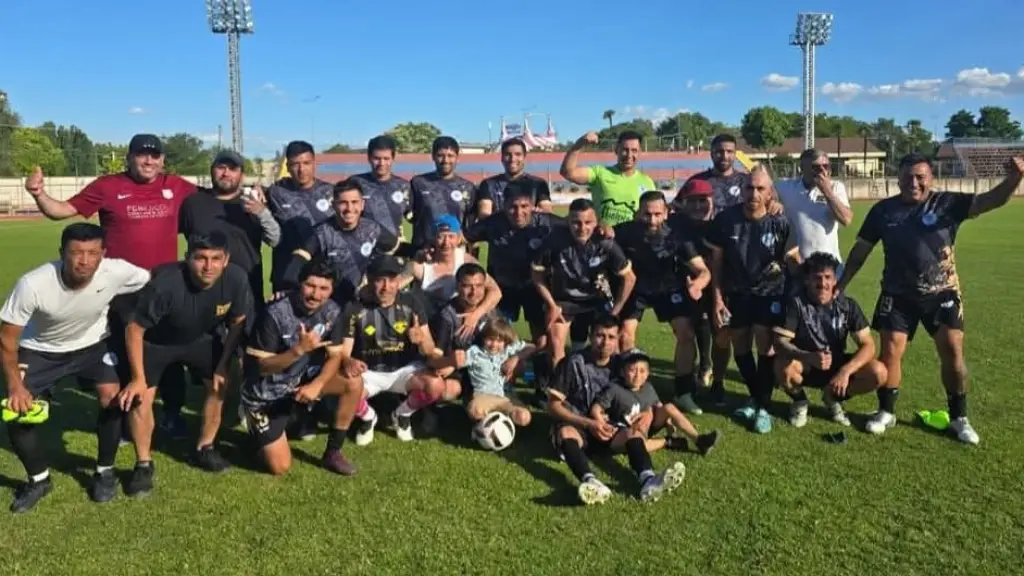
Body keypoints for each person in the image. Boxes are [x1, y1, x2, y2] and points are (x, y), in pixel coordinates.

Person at [838, 154, 1024, 444]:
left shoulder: (948, 203)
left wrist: (1014, 179)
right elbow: (861, 251)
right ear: (897, 179)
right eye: (907, 177)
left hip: (942, 293)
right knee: (890, 354)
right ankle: (886, 412)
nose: (913, 183)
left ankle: (959, 418)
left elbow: (990, 201)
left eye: (920, 177)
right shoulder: (883, 211)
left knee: (952, 353)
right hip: (897, 295)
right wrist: (841, 284)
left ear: (931, 178)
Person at [23, 134, 198, 442]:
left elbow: (211, 201)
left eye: (155, 156)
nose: (149, 161)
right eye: (142, 155)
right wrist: (39, 194)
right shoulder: (107, 186)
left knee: (169, 354)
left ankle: (172, 415)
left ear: (162, 160)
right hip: (121, 291)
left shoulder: (177, 185)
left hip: (164, 287)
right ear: (129, 157)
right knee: (121, 354)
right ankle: (126, 415)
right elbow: (62, 210)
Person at [0, 223, 150, 513]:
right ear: (62, 253)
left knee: (113, 397)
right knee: (17, 412)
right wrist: (15, 385)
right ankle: (38, 479)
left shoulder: (116, 271)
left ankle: (104, 472)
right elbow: (6, 340)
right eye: (76, 253)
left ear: (103, 254)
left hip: (93, 346)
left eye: (93, 253)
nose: (84, 261)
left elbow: (151, 281)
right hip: (40, 349)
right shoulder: (33, 284)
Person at [117, 232, 253, 496]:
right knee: (140, 397)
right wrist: (137, 377)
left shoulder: (236, 278)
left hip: (200, 339)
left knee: (221, 384)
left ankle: (205, 447)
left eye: (216, 258)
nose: (208, 265)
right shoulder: (166, 284)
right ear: (187, 258)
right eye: (200, 258)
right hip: (155, 343)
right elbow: (134, 329)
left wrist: (223, 363)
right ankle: (143, 464)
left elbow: (238, 320)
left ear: (226, 260)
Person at [177, 150, 281, 436]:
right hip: (202, 290)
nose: (226, 174)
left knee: (247, 352)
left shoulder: (252, 203)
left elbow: (276, 239)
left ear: (241, 174)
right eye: (220, 168)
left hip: (246, 289)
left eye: (232, 169)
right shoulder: (194, 204)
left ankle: (246, 405)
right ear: (212, 171)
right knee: (206, 349)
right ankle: (206, 401)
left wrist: (262, 214)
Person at [241, 259, 363, 476]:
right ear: (299, 284)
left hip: (300, 383)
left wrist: (317, 385)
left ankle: (333, 452)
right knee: (280, 467)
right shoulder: (274, 313)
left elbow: (335, 356)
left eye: (324, 288)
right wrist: (298, 350)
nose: (316, 295)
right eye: (310, 286)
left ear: (332, 289)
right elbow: (262, 368)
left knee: (353, 382)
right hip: (266, 395)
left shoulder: (333, 311)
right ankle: (254, 426)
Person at [546, 316, 683, 504]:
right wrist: (588, 422)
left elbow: (644, 389)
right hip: (580, 426)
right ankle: (591, 482)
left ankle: (648, 480)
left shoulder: (622, 364)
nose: (605, 342)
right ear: (590, 336)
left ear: (618, 338)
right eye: (600, 336)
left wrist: (649, 412)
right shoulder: (573, 363)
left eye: (611, 337)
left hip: (610, 430)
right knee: (565, 431)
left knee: (631, 433)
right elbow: (553, 406)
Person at [706, 165, 800, 434]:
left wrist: (805, 287)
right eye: (749, 187)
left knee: (766, 347)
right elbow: (717, 263)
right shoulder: (726, 220)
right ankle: (756, 398)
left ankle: (763, 407)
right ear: (742, 190)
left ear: (770, 193)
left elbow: (793, 260)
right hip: (737, 294)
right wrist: (717, 299)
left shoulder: (780, 222)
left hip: (770, 294)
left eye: (760, 188)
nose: (754, 193)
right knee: (741, 347)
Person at [338, 255, 456, 445]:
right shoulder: (354, 308)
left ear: (399, 280)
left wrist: (420, 341)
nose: (386, 287)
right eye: (380, 280)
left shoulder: (411, 304)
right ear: (369, 279)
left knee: (436, 386)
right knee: (343, 392)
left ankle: (401, 415)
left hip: (405, 370)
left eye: (392, 280)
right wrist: (348, 361)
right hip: (369, 372)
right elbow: (344, 352)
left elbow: (430, 350)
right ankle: (368, 418)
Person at [464, 183, 567, 400]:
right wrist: (472, 265)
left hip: (535, 289)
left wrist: (603, 227)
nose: (518, 213)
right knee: (497, 338)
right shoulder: (492, 223)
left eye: (524, 206)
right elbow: (463, 239)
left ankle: (542, 385)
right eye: (512, 207)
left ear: (533, 206)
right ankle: (501, 384)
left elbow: (579, 226)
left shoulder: (548, 223)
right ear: (503, 206)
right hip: (502, 290)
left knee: (542, 340)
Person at [613, 191, 711, 414]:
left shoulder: (676, 236)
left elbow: (703, 270)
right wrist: (603, 229)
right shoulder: (625, 232)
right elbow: (604, 239)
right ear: (638, 213)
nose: (652, 220)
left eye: (658, 214)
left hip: (669, 288)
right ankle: (631, 391)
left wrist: (697, 285)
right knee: (625, 335)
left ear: (666, 213)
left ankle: (683, 392)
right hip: (636, 289)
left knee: (686, 333)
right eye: (647, 214)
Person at [674, 134, 754, 402]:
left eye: (729, 151)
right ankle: (703, 367)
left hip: (731, 266)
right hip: (696, 260)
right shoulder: (699, 181)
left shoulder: (745, 181)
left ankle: (717, 378)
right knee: (698, 322)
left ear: (736, 153)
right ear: (711, 152)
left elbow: (765, 201)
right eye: (719, 151)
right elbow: (676, 205)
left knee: (723, 327)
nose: (724, 156)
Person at [773, 252, 887, 428]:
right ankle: (800, 401)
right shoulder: (796, 304)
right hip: (807, 365)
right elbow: (780, 342)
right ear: (807, 281)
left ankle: (832, 397)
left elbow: (869, 345)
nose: (823, 284)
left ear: (835, 280)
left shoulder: (847, 305)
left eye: (828, 277)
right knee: (782, 365)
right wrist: (807, 356)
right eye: (817, 278)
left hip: (837, 367)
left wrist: (846, 371)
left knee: (879, 372)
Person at [532, 198, 636, 367]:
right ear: (568, 221)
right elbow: (537, 274)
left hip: (598, 299)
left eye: (588, 222)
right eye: (576, 223)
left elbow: (630, 278)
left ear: (597, 222)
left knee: (610, 345)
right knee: (555, 345)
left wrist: (615, 311)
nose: (582, 228)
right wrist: (551, 304)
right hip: (564, 300)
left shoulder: (605, 242)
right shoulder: (554, 241)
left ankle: (610, 385)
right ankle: (562, 387)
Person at [283, 179, 401, 306]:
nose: (349, 208)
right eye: (343, 203)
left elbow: (400, 248)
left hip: (364, 300)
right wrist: (285, 286)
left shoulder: (372, 228)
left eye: (354, 202)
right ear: (333, 205)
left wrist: (421, 253)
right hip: (332, 303)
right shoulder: (322, 232)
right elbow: (299, 258)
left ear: (362, 204)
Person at [592, 348, 720, 456]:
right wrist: (602, 424)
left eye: (642, 371)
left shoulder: (648, 387)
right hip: (626, 432)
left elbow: (659, 406)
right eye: (632, 370)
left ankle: (699, 440)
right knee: (636, 440)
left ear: (648, 373)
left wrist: (669, 421)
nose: (637, 375)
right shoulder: (614, 388)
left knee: (669, 407)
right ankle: (667, 442)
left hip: (646, 425)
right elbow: (596, 409)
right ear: (622, 372)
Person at [266, 140, 336, 293]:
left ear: (314, 163)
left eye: (306, 163)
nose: (301, 169)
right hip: (286, 274)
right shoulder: (275, 193)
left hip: (322, 275)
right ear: (288, 167)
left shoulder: (331, 192)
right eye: (295, 164)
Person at [403, 215, 502, 318]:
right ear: (433, 238)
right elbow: (393, 286)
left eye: (451, 236)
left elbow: (495, 292)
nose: (446, 243)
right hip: (425, 323)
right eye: (441, 236)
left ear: (459, 239)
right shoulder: (421, 265)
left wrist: (475, 315)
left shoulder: (466, 261)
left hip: (456, 324)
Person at [670, 179, 717, 396]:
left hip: (716, 282)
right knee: (688, 328)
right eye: (692, 201)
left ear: (712, 200)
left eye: (703, 200)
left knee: (712, 325)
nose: (698, 206)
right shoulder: (674, 223)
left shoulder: (719, 224)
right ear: (684, 203)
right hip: (682, 283)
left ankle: (707, 367)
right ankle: (689, 376)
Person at [559, 130, 657, 226]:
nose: (629, 155)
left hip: (631, 240)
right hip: (602, 239)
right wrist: (579, 144)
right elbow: (568, 172)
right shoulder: (600, 173)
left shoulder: (647, 182)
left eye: (634, 150)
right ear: (616, 150)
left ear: (640, 153)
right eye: (625, 150)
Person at [774, 149, 852, 262]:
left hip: (828, 266)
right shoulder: (787, 188)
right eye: (816, 167)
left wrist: (827, 191)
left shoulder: (836, 187)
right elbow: (764, 186)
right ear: (802, 168)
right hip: (798, 266)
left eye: (826, 166)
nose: (822, 171)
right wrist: (773, 201)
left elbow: (846, 219)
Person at [456, 317, 535, 428]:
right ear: (484, 338)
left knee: (524, 417)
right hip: (482, 396)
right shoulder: (475, 353)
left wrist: (515, 358)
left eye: (499, 341)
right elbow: (458, 362)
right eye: (490, 339)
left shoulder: (505, 351)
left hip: (503, 398)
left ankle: (502, 420)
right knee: (475, 410)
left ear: (505, 342)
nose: (494, 345)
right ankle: (487, 426)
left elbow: (532, 347)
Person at [409, 136, 478, 252]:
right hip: (424, 251)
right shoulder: (418, 183)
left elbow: (470, 225)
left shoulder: (468, 187)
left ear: (457, 157)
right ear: (433, 156)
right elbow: (408, 214)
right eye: (440, 155)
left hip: (455, 251)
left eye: (450, 156)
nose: (445, 160)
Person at [349, 135, 413, 244]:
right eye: (377, 158)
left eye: (386, 158)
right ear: (369, 158)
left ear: (393, 159)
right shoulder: (355, 183)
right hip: (363, 249)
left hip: (395, 249)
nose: (381, 163)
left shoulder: (403, 186)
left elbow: (414, 217)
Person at [474, 137, 553, 216]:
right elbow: (484, 214)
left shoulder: (538, 184)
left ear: (524, 158)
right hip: (498, 228)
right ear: (502, 158)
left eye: (518, 154)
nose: (513, 159)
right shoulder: (488, 184)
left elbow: (546, 213)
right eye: (508, 155)